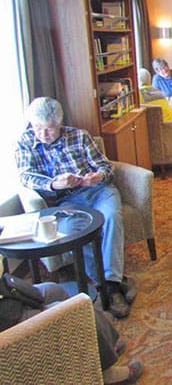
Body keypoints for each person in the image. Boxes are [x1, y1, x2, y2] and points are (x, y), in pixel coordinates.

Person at [15, 98, 136, 319]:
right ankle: (111, 284)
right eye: (37, 128)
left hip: (98, 191)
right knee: (76, 231)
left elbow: (105, 166)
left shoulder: (79, 136)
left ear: (60, 124)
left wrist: (97, 176)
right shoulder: (25, 142)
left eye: (49, 129)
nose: (43, 134)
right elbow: (25, 176)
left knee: (111, 217)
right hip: (65, 201)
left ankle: (109, 284)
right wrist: (53, 184)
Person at [0, 270, 143, 385]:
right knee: (75, 311)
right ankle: (107, 374)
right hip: (7, 320)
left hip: (7, 292)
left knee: (54, 290)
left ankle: (102, 348)